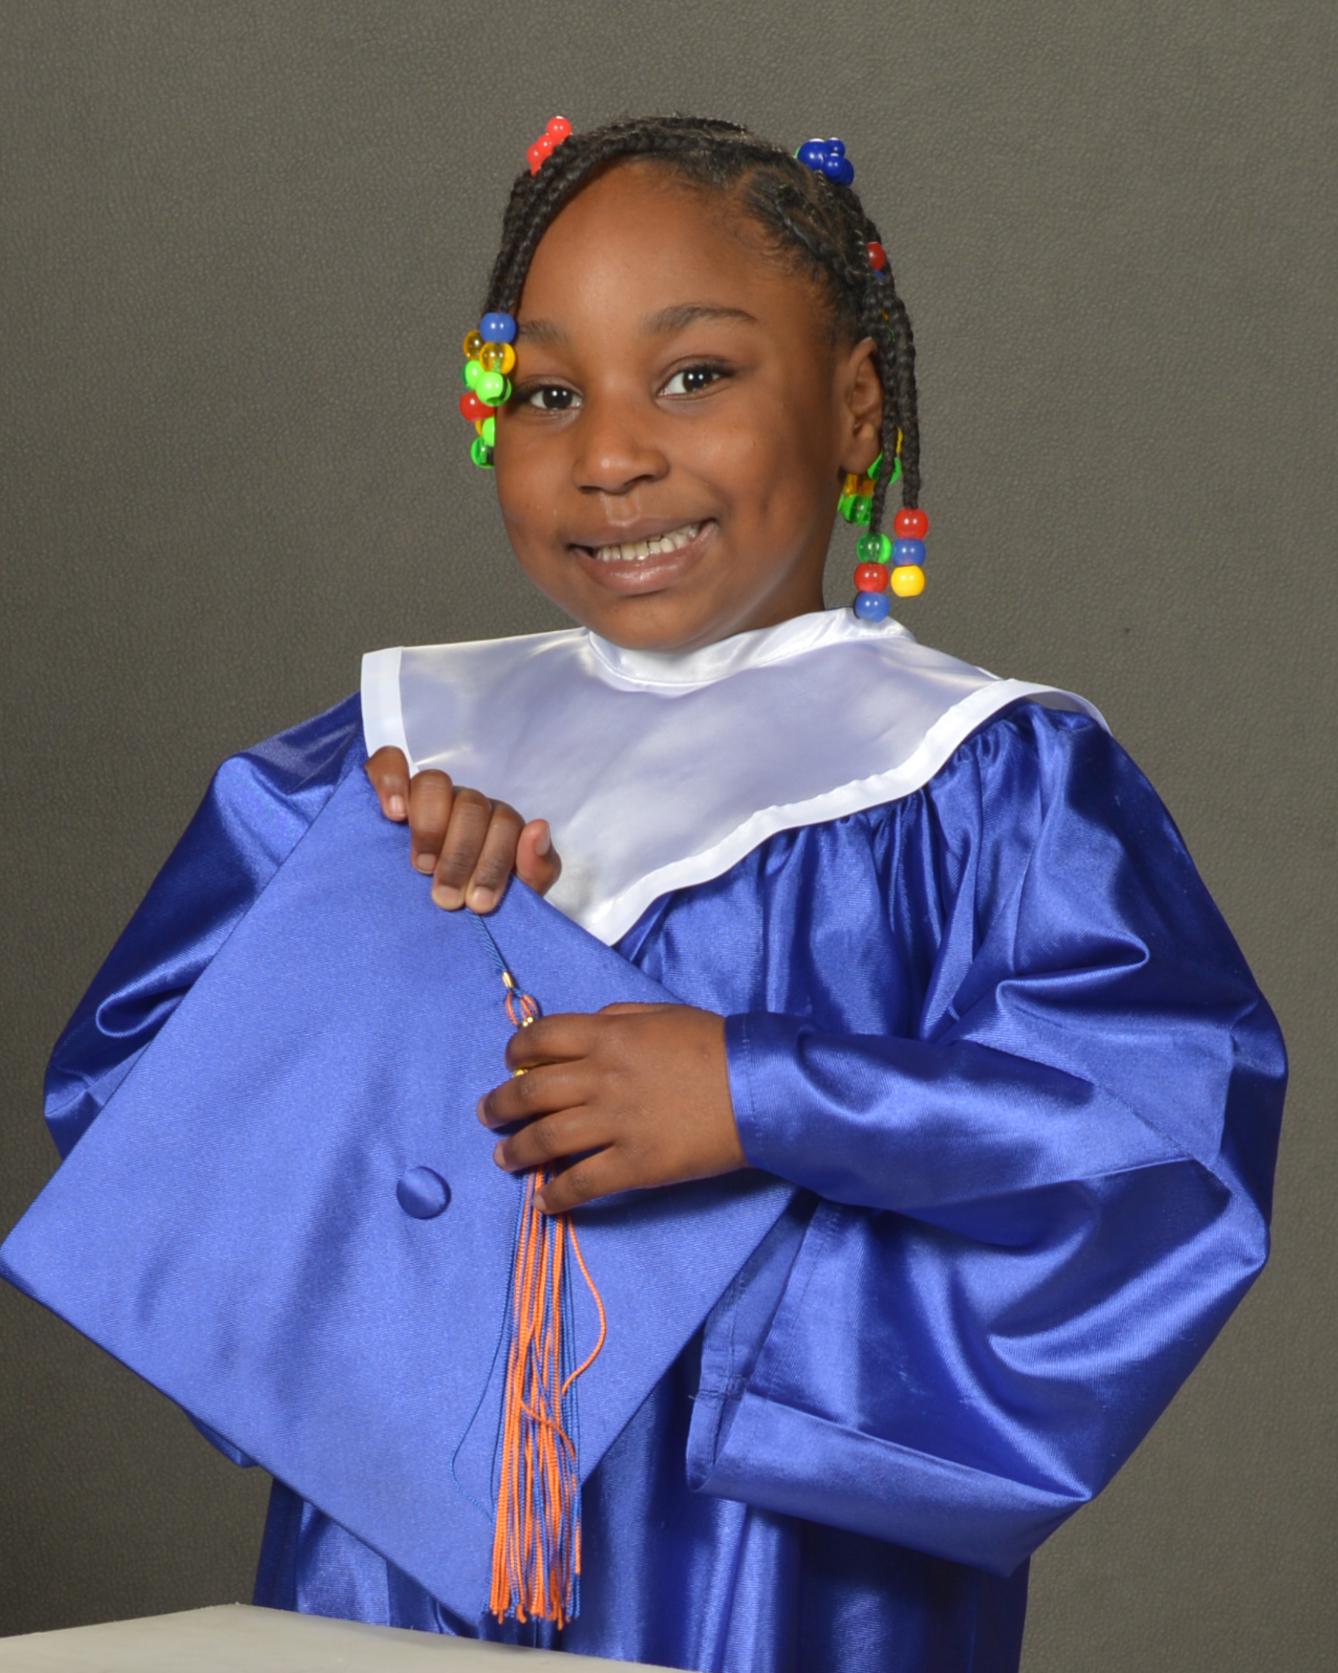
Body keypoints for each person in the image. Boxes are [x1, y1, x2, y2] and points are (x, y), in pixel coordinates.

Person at [16, 117, 1285, 1673]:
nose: (609, 453)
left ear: (855, 400)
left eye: (693, 374)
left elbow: (1148, 1153)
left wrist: (754, 1094)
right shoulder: (386, 763)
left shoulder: (983, 784)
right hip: (390, 1578)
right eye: (547, 393)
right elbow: (143, 1124)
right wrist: (379, 935)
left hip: (774, 1585)